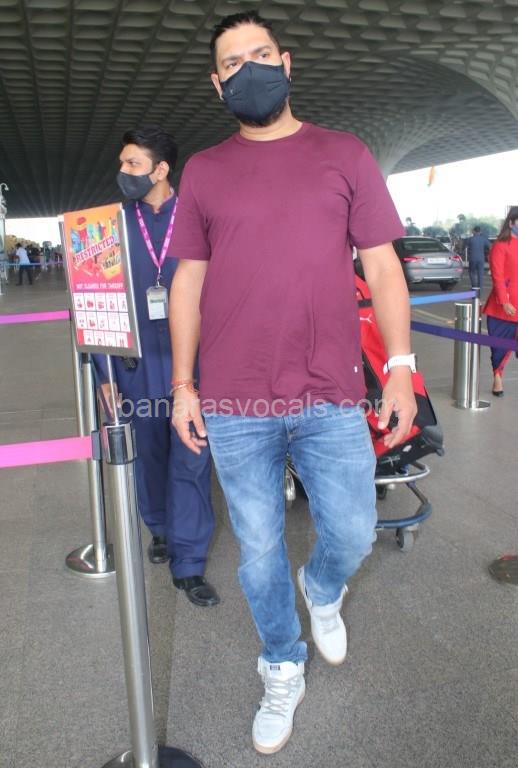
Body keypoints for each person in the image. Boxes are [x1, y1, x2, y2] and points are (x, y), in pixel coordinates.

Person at [168, 11, 417, 754]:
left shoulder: (343, 154)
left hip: (330, 392)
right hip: (235, 398)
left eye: (260, 54)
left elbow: (382, 266)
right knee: (257, 552)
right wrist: (182, 384)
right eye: (232, 63)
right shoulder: (205, 171)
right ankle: (281, 662)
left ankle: (324, 588)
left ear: (286, 62)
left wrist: (400, 368)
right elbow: (188, 282)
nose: (248, 69)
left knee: (354, 531)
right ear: (217, 84)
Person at [93, 126, 219, 607]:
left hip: (196, 363)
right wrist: (104, 374)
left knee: (192, 456)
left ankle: (189, 562)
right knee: (149, 455)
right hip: (135, 364)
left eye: (133, 164)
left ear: (162, 169)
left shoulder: (201, 218)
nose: (122, 172)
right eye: (121, 163)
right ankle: (161, 528)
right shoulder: (107, 229)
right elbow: (92, 302)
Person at [483, 207, 518, 397]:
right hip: (504, 307)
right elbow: (498, 276)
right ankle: (497, 376)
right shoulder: (500, 245)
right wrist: (504, 301)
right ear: (511, 223)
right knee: (499, 346)